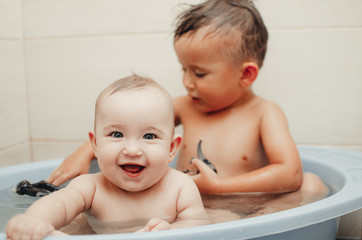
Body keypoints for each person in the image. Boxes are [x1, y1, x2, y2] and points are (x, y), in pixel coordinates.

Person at [47, 0, 327, 195]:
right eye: (184, 69)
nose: (186, 82)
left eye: (200, 74)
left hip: (244, 206)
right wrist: (82, 154)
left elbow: (290, 174)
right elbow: (123, 124)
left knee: (313, 184)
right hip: (179, 205)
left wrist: (219, 188)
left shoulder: (265, 113)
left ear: (246, 75)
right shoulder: (185, 107)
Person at [6, 75, 209, 239]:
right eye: (117, 134)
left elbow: (200, 225)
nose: (131, 150)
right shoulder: (90, 187)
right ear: (95, 144)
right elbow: (60, 204)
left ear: (172, 148)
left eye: (149, 136)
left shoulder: (181, 187)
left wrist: (171, 232)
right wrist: (34, 220)